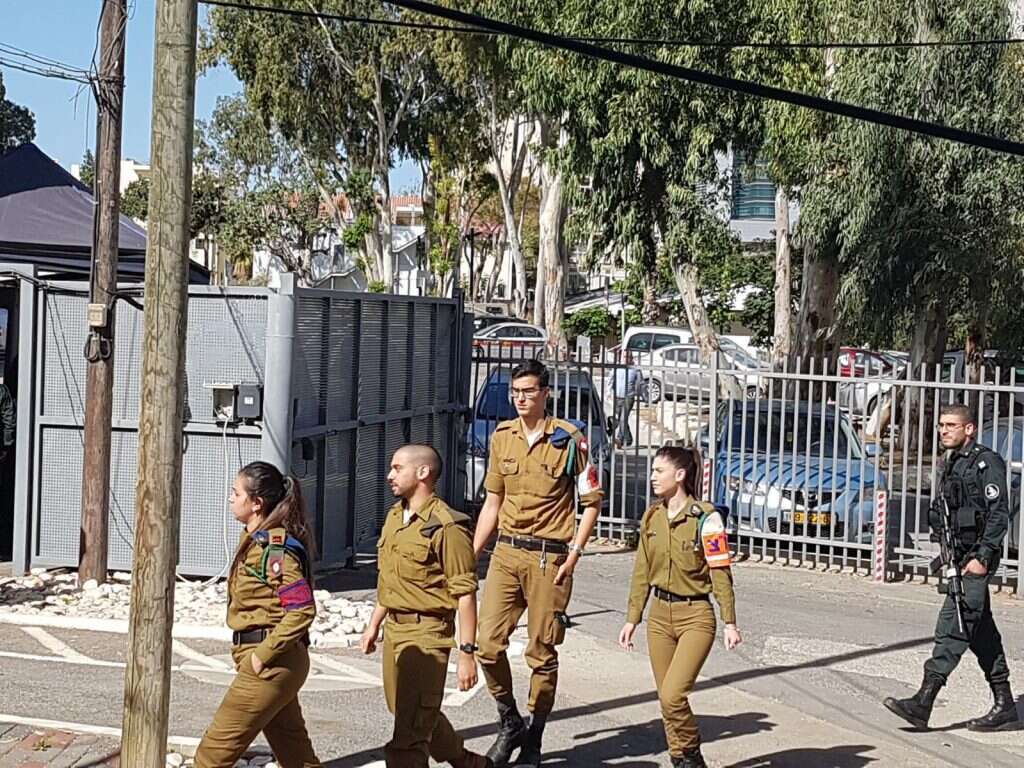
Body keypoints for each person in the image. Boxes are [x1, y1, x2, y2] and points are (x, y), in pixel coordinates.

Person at [474, 359, 604, 767]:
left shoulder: (569, 439)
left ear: (545, 393)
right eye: (516, 392)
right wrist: (471, 554)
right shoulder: (502, 437)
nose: (521, 399)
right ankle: (509, 720)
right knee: (487, 646)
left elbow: (591, 503)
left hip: (551, 557)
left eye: (529, 391)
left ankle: (535, 734)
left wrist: (576, 554)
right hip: (507, 553)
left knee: (541, 650)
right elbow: (492, 501)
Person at [884, 403, 1020, 732]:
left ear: (969, 429)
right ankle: (1004, 704)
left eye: (950, 425)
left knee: (954, 623)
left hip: (975, 558)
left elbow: (999, 513)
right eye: (942, 425)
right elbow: (942, 510)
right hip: (956, 557)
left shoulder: (986, 463)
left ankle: (924, 700)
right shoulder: (951, 462)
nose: (943, 430)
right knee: (980, 630)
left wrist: (983, 556)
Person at [360, 445, 492, 768]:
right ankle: (464, 760)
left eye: (397, 468)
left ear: (423, 473)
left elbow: (464, 593)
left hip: (427, 633)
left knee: (407, 737)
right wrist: (374, 623)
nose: (389, 475)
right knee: (409, 709)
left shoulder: (447, 526)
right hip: (395, 628)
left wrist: (466, 653)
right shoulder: (395, 517)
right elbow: (390, 579)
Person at [618, 446, 741, 768]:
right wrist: (633, 618)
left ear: (681, 475)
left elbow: (719, 570)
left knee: (673, 695)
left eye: (660, 471)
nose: (653, 477)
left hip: (695, 616)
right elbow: (642, 571)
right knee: (666, 700)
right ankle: (682, 760)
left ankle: (689, 751)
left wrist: (729, 621)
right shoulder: (652, 516)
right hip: (659, 616)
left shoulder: (707, 519)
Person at [194, 461, 321, 768]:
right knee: (295, 756)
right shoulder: (252, 540)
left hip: (271, 663)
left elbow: (302, 609)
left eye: (236, 494)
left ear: (256, 503)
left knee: (211, 756)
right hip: (270, 662)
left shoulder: (272, 549)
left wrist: (261, 656)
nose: (230, 499)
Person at [612, 353, 640, 448]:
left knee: (623, 419)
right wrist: (609, 392)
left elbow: (641, 383)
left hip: (629, 397)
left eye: (628, 357)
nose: (625, 359)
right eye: (624, 357)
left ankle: (625, 439)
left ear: (631, 358)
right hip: (617, 396)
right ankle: (623, 438)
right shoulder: (617, 367)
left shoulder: (635, 369)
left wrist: (642, 395)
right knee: (620, 418)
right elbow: (611, 379)